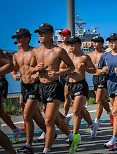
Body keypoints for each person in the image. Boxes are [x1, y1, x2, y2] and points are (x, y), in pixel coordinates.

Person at [33, 23, 75, 154]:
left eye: (43, 32)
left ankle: (47, 150)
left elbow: (71, 67)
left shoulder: (58, 51)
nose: (40, 35)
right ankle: (72, 137)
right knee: (55, 118)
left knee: (49, 120)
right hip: (41, 87)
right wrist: (36, 69)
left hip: (54, 86)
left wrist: (58, 73)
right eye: (39, 32)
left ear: (51, 34)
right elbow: (29, 69)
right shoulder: (36, 51)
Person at [11, 28, 47, 153]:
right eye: (17, 38)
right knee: (35, 115)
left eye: (20, 37)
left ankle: (29, 146)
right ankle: (50, 133)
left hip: (35, 86)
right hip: (24, 87)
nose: (18, 40)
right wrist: (14, 75)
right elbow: (13, 68)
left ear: (27, 38)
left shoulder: (35, 52)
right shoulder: (16, 55)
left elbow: (43, 67)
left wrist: (37, 74)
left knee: (26, 116)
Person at [66, 36, 98, 154]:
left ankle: (75, 137)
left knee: (75, 111)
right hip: (70, 85)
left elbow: (93, 70)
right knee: (81, 110)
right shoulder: (68, 57)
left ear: (79, 45)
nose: (70, 46)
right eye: (69, 44)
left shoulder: (84, 57)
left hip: (80, 85)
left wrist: (85, 67)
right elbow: (60, 68)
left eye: (73, 44)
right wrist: (68, 70)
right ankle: (92, 124)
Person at [88, 36, 113, 127]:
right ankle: (110, 114)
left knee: (98, 99)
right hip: (95, 78)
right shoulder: (90, 54)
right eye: (93, 42)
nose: (94, 44)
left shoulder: (106, 54)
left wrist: (105, 69)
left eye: (96, 42)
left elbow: (110, 65)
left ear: (101, 43)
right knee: (102, 100)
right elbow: (88, 67)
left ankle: (96, 121)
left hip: (103, 77)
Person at [0, 50, 22, 144]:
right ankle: (15, 129)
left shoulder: (4, 53)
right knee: (1, 112)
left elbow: (11, 65)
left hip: (1, 83)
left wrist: (14, 75)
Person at [58, 29, 72, 122]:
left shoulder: (71, 47)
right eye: (61, 35)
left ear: (69, 36)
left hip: (68, 73)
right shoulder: (58, 47)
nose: (62, 36)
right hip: (60, 73)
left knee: (67, 94)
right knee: (61, 95)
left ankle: (65, 114)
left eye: (64, 35)